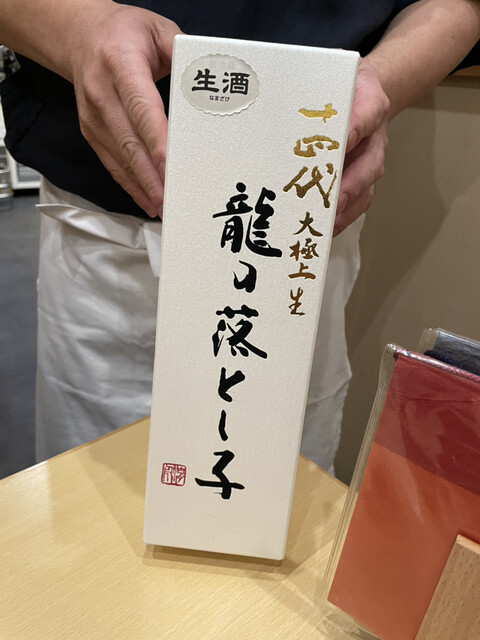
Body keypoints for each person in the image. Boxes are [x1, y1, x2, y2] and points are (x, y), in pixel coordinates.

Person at [1, 0, 479, 473]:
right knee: (93, 498)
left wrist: (377, 86)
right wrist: (76, 29)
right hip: (102, 244)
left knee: (276, 483)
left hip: (296, 240)